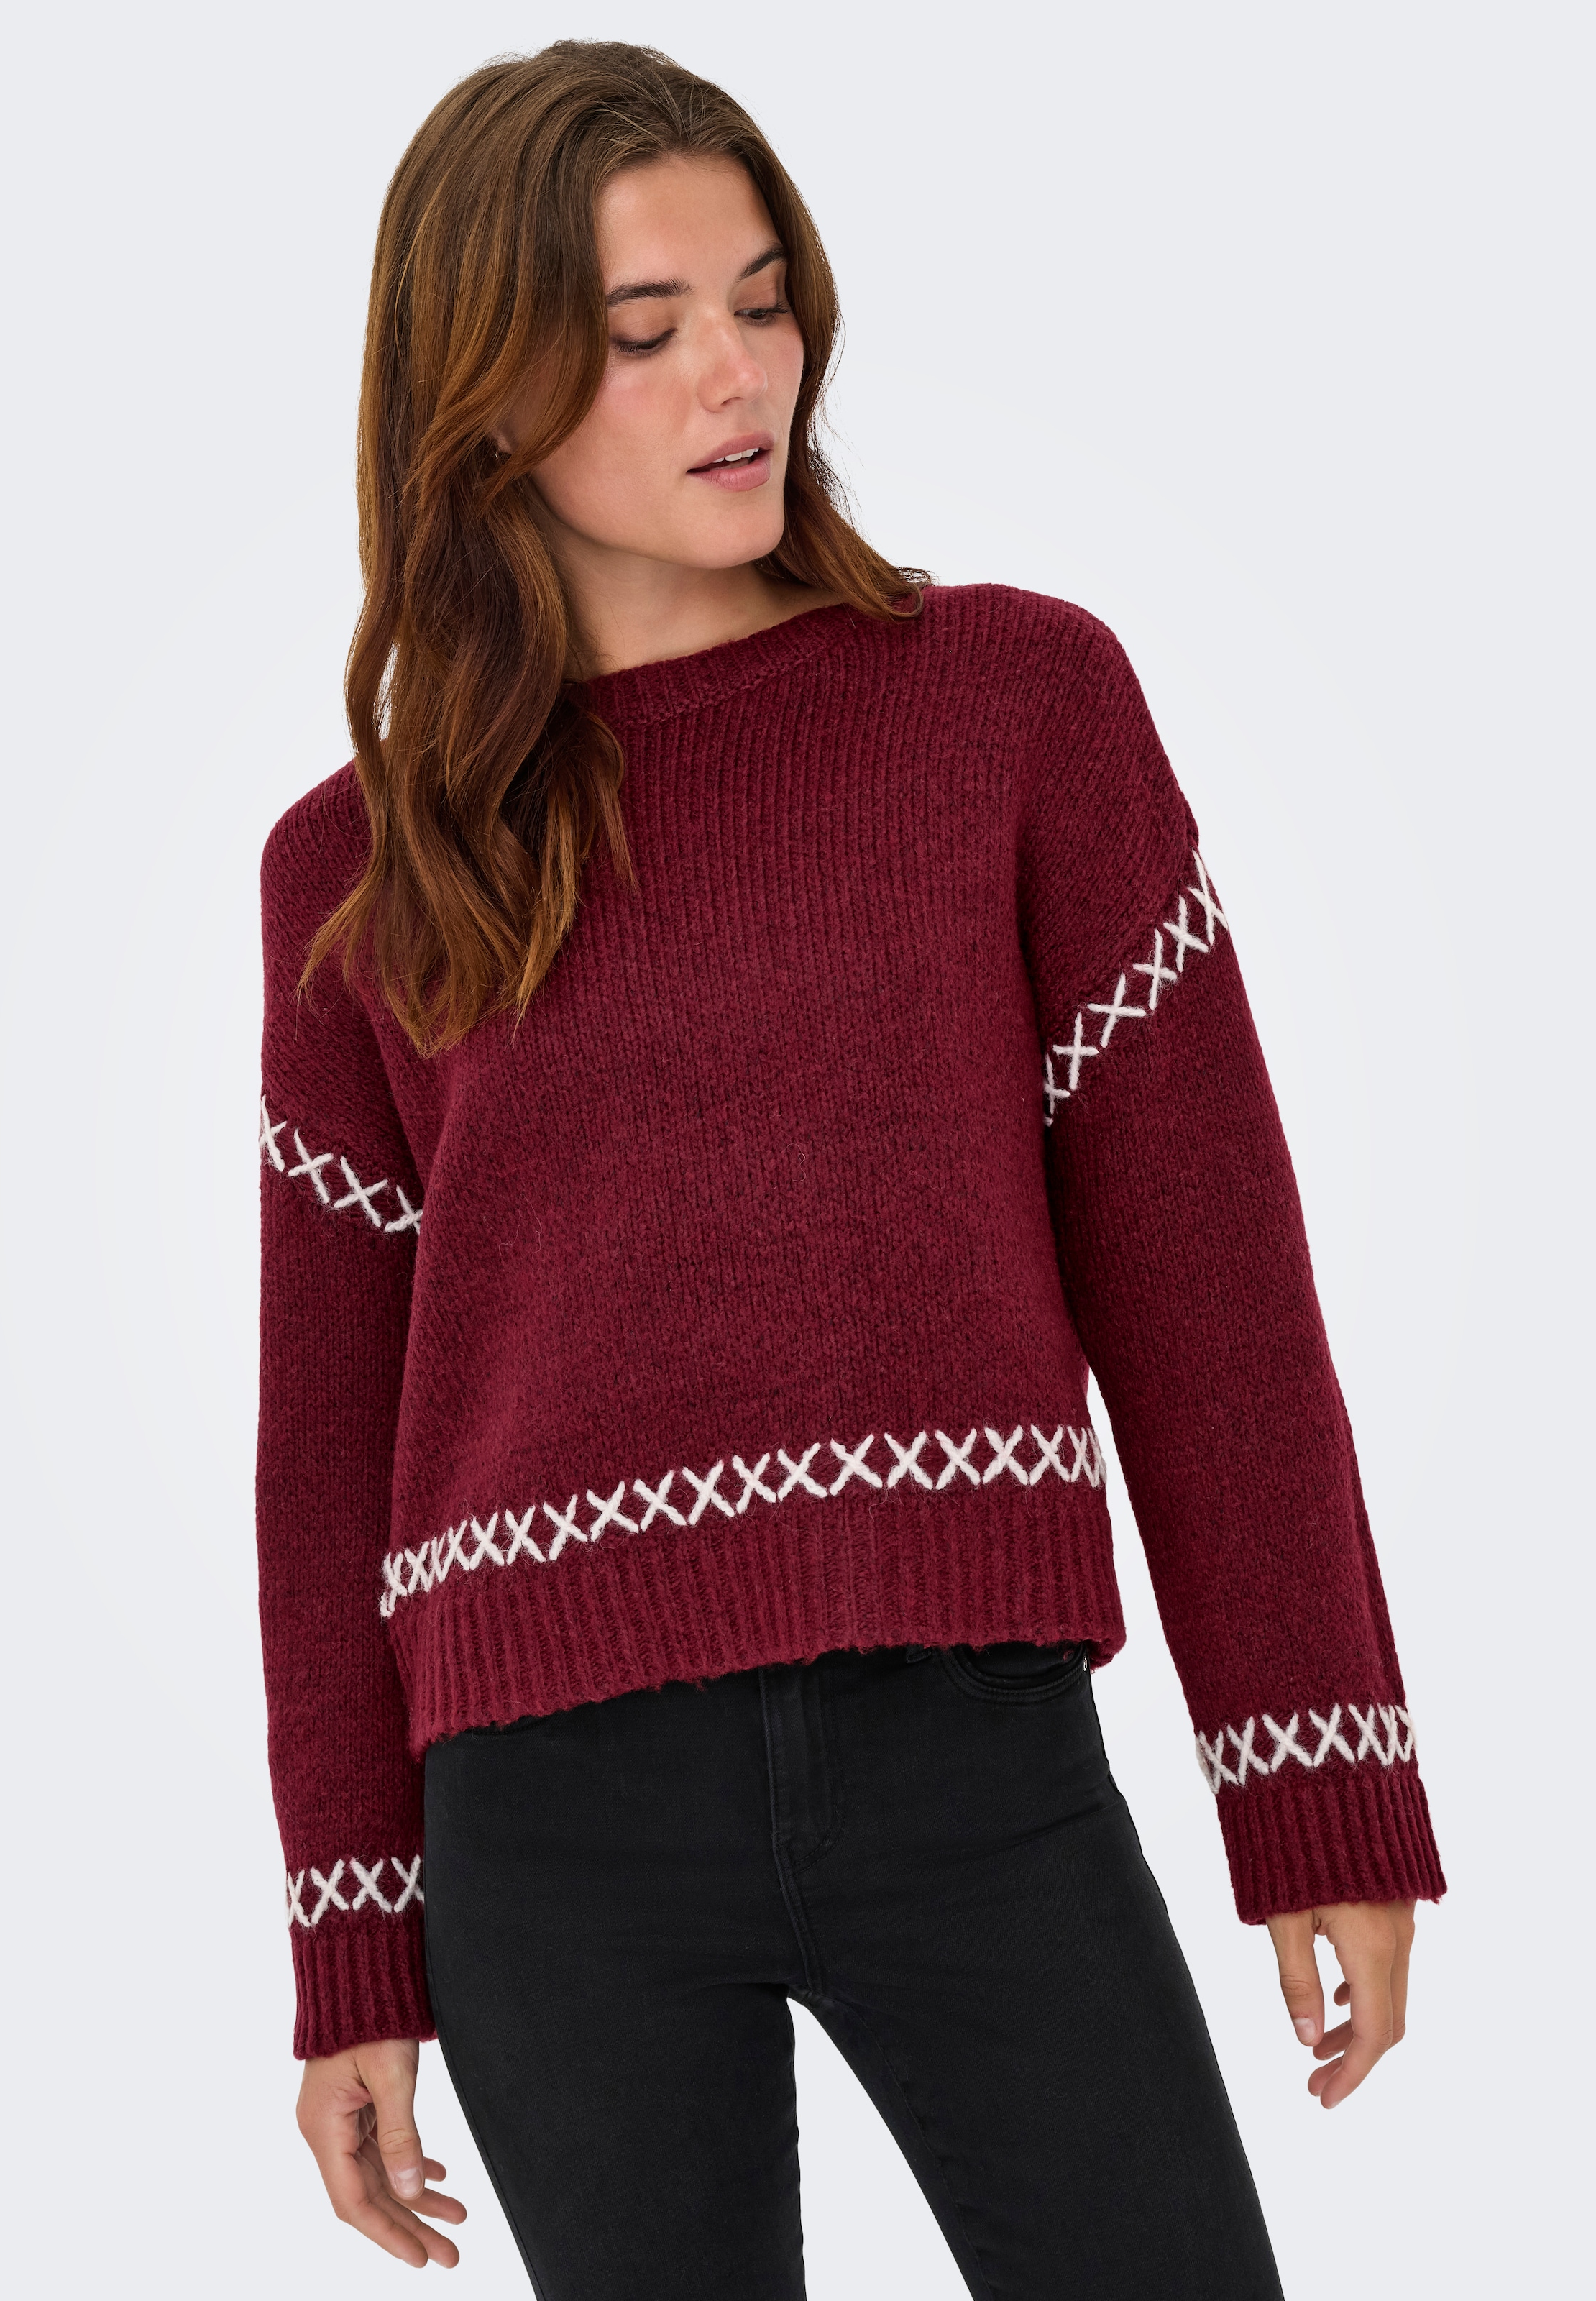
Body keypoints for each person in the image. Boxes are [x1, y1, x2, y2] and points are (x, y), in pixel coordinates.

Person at [255, 39, 1444, 2297]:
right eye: (644, 333)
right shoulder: (358, 872)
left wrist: (1316, 1778)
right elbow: (326, 1470)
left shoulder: (1016, 708)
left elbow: (1210, 1288)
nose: (739, 375)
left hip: (972, 1762)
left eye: (762, 297)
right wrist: (353, 1947)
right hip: (546, 1831)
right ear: (483, 405)